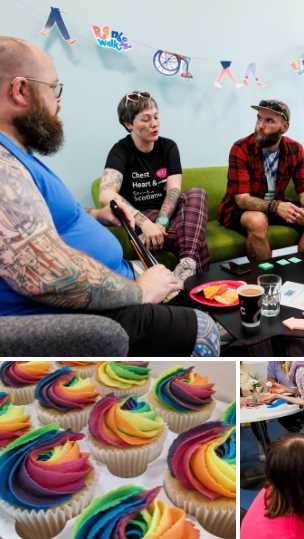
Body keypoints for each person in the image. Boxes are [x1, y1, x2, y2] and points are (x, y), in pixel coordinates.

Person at [0, 36, 219, 356]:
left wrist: (97, 216)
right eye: (54, 89)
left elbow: (37, 223)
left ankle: (186, 265)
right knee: (204, 330)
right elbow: (43, 274)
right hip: (86, 315)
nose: (58, 102)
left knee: (193, 197)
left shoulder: (19, 159)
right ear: (20, 90)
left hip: (134, 262)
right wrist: (137, 291)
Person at [98, 91, 210, 285]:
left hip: (168, 215)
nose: (154, 123)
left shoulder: (168, 147)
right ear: (129, 124)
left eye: (156, 117)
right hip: (141, 217)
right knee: (196, 240)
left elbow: (173, 190)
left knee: (197, 193)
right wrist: (146, 225)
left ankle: (187, 264)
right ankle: (193, 275)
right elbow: (106, 193)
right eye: (146, 119)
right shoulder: (121, 150)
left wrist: (161, 223)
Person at [217, 99, 304, 262]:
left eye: (269, 120)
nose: (260, 125)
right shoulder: (240, 148)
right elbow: (242, 199)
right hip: (239, 209)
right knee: (257, 221)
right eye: (259, 118)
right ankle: (264, 276)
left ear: (284, 127)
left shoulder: (295, 149)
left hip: (277, 205)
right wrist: (276, 207)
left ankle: (301, 265)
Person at [261, 361, 304, 437]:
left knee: (303, 438)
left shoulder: (302, 372)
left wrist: (278, 396)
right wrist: (286, 389)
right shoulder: (301, 368)